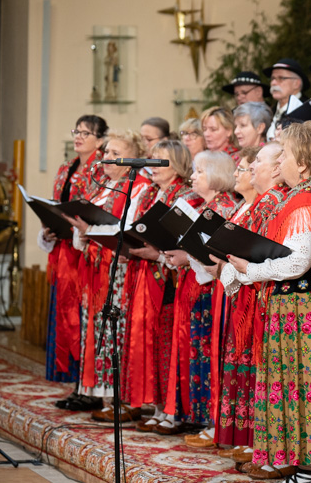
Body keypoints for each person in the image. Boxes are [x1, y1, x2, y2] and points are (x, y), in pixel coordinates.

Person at [222, 122, 311, 483]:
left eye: (286, 155)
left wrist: (250, 272)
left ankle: (309, 473)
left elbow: (297, 263)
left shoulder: (306, 200)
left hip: (304, 307)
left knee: (304, 384)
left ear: (306, 163)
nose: (280, 162)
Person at [63, 131, 150, 420]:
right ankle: (100, 395)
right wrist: (82, 232)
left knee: (116, 331)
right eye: (107, 152)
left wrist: (91, 232)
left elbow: (130, 230)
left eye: (116, 153)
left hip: (121, 270)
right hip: (96, 269)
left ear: (132, 159)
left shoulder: (138, 187)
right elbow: (86, 233)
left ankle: (118, 397)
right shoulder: (103, 187)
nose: (107, 158)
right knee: (98, 330)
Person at [216, 143, 289, 464]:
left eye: (257, 162)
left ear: (276, 169)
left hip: (261, 290)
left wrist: (231, 264)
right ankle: (251, 437)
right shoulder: (262, 202)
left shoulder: (273, 202)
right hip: (250, 288)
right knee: (247, 361)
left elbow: (263, 251)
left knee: (258, 363)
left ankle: (261, 440)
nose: (250, 167)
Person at [122, 140, 201, 427]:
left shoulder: (188, 196)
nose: (152, 164)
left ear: (177, 164)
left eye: (160, 159)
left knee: (169, 343)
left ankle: (173, 409)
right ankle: (157, 407)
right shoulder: (148, 193)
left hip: (175, 277)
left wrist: (159, 254)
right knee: (154, 342)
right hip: (147, 273)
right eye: (151, 158)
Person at [160, 151, 237, 439]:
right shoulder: (206, 205)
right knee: (199, 354)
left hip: (214, 290)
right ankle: (203, 417)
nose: (192, 176)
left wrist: (188, 255)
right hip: (197, 288)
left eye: (200, 172)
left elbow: (217, 258)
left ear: (217, 176)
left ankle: (214, 421)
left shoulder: (224, 208)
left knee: (209, 353)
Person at [39, 115, 106, 410]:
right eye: (76, 131)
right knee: (66, 318)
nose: (79, 137)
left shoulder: (101, 168)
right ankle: (76, 384)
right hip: (63, 250)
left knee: (82, 319)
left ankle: (89, 387)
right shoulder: (67, 167)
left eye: (86, 132)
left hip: (85, 254)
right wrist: (49, 226)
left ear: (100, 139)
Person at [264, 58, 307, 140]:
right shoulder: (270, 111)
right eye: (272, 78)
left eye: (281, 78)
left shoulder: (307, 110)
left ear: (296, 83)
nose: (273, 83)